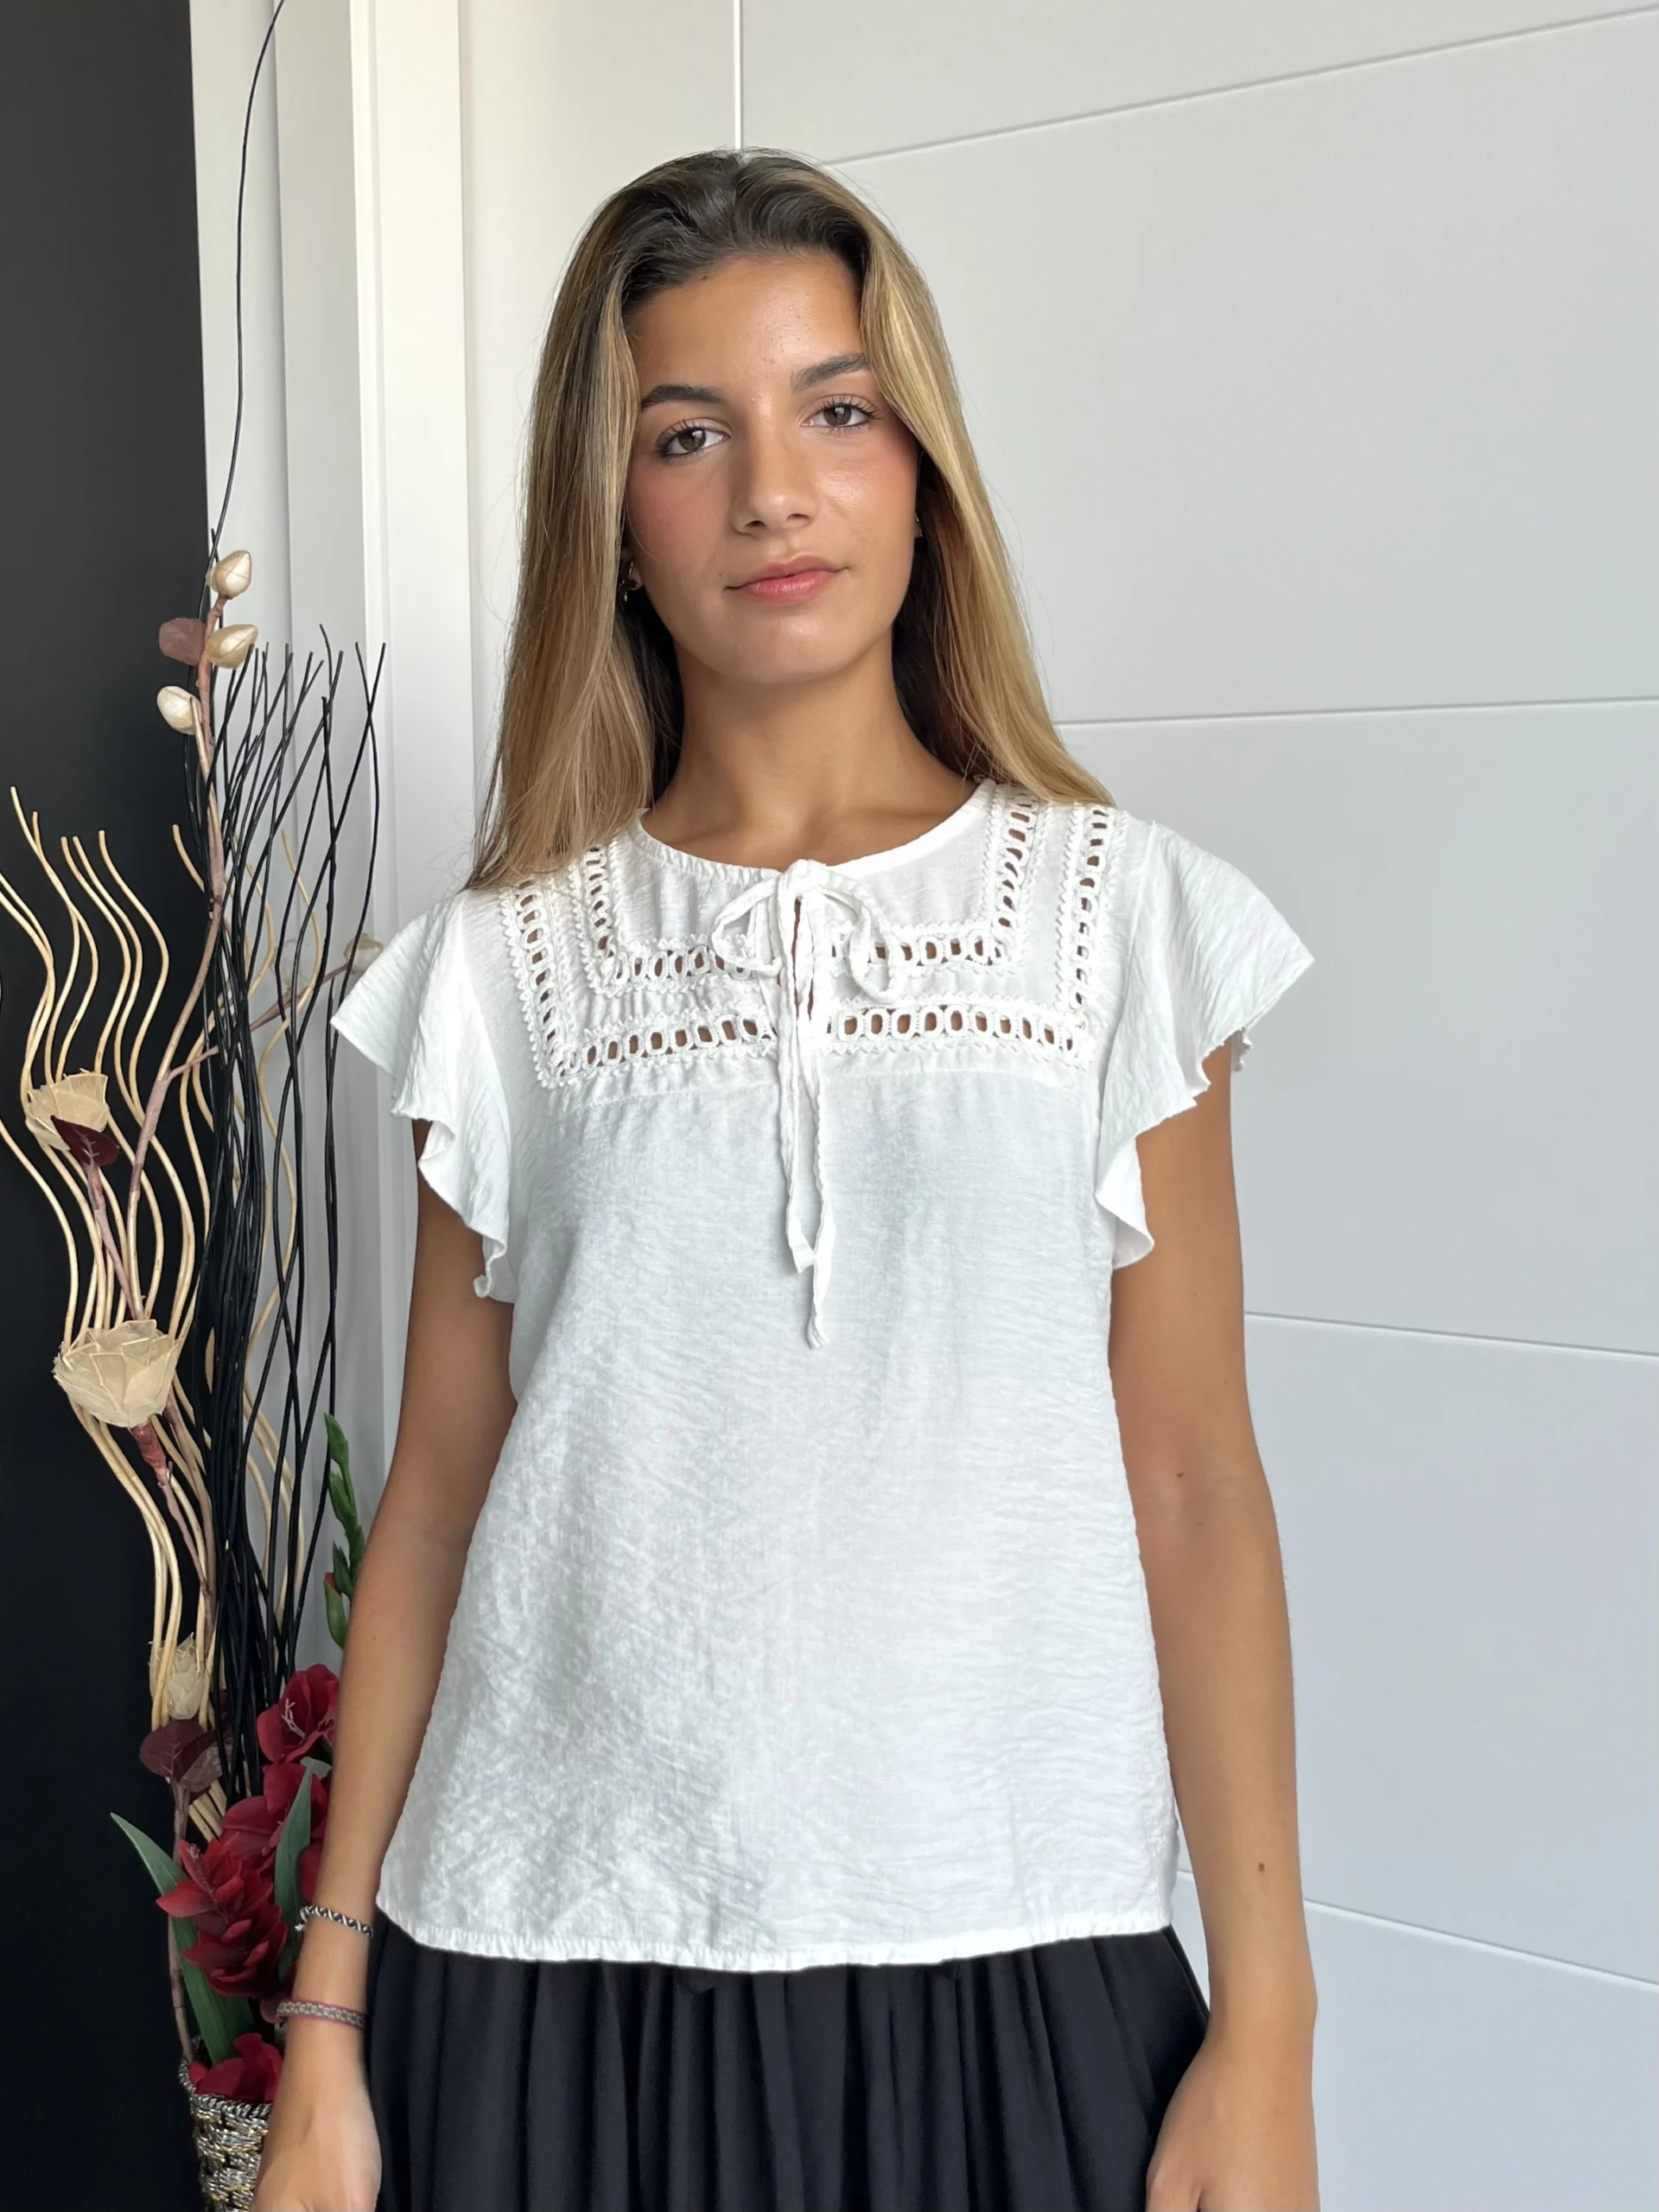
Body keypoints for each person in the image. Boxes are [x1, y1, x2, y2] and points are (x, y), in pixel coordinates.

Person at [251, 148, 1319, 2212]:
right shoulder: (502, 974)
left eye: (837, 408)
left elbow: (1196, 1484)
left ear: (923, 474)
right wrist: (324, 2026)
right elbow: (441, 1503)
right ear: (612, 520)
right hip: (545, 1973)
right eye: (687, 433)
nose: (771, 489)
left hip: (1016, 1951)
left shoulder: (1125, 926)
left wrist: (1265, 2020)